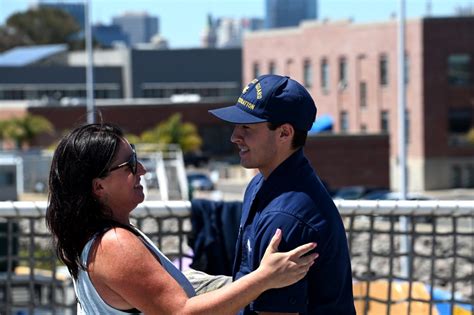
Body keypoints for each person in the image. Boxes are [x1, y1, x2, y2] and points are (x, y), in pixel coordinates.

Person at [46, 122, 318, 314]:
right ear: (98, 187)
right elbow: (182, 313)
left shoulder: (97, 239)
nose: (141, 169)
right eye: (129, 164)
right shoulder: (114, 244)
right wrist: (265, 278)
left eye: (137, 158)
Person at [209, 74, 356, 314]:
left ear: (285, 133)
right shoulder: (261, 185)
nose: (234, 137)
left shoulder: (286, 218)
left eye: (247, 127)